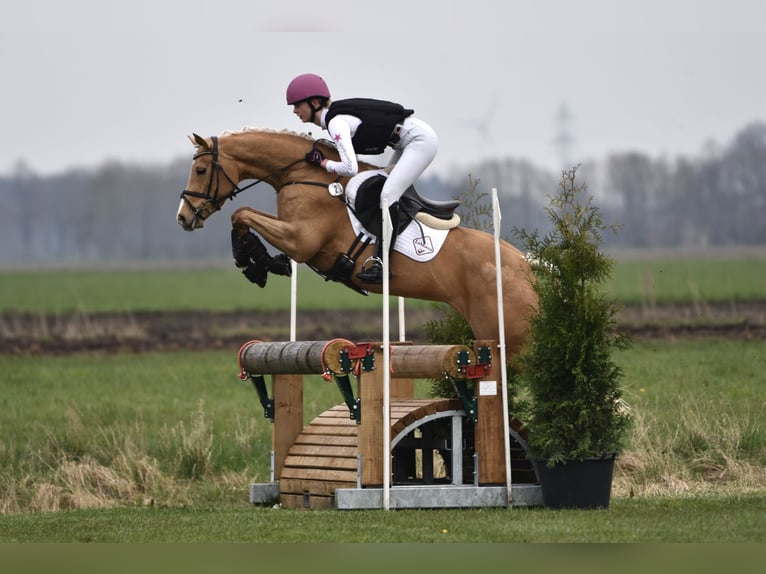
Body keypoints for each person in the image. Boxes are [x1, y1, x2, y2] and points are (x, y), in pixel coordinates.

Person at [286, 73, 438, 284]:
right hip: (406, 141)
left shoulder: (336, 123)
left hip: (419, 141)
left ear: (314, 102)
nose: (294, 111)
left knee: (387, 194)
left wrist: (323, 163)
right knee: (379, 186)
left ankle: (382, 264)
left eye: (297, 105)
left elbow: (350, 167)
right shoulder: (335, 119)